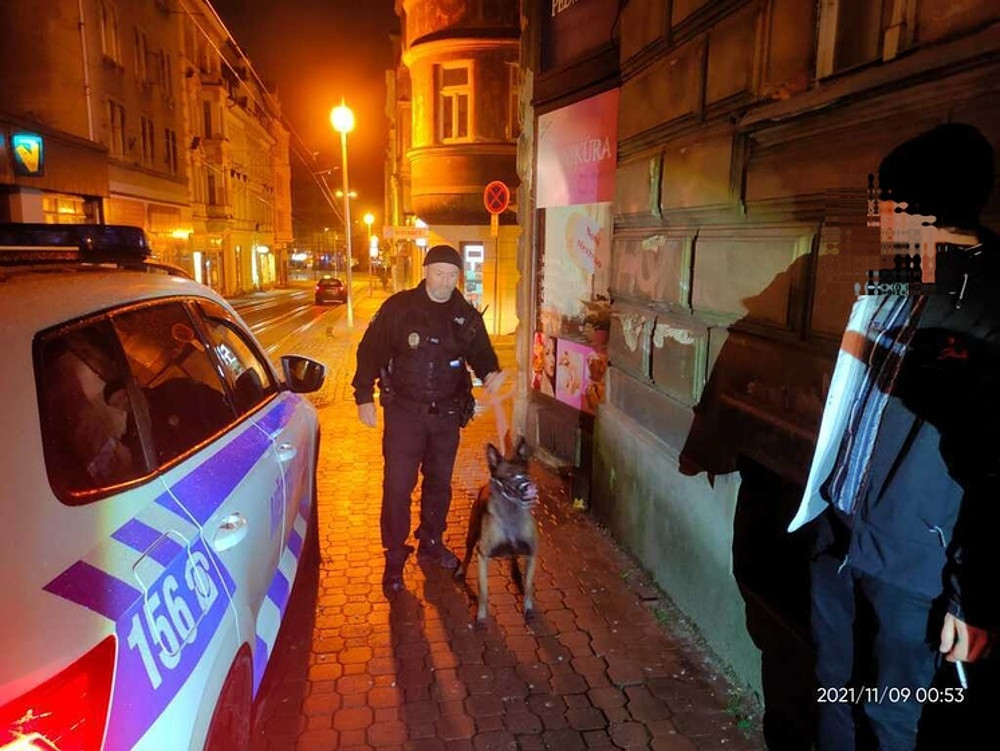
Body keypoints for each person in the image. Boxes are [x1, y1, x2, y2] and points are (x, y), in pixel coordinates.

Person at [789, 123, 999, 749]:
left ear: (923, 208)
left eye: (887, 201)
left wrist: (971, 597)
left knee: (891, 717)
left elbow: (993, 468)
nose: (877, 215)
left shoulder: (989, 304)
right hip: (839, 530)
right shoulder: (894, 281)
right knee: (832, 686)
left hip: (914, 566)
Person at [352, 244, 505, 596]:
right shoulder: (399, 308)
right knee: (397, 487)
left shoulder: (465, 316)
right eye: (439, 273)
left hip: (446, 416)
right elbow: (369, 350)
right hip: (404, 414)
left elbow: (481, 353)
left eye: (452, 275)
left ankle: (431, 542)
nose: (445, 282)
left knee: (439, 485)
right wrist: (363, 397)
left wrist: (491, 372)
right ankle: (394, 556)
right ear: (425, 272)